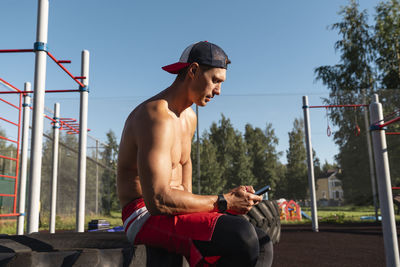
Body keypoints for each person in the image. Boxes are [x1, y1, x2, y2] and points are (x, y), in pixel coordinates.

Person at [117, 41, 273, 267]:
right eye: (215, 81)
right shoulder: (155, 115)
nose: (218, 90)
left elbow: (183, 182)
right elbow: (158, 201)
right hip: (143, 216)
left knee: (262, 242)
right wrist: (224, 201)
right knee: (242, 236)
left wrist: (216, 207)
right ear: (193, 71)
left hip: (175, 211)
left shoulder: (190, 118)